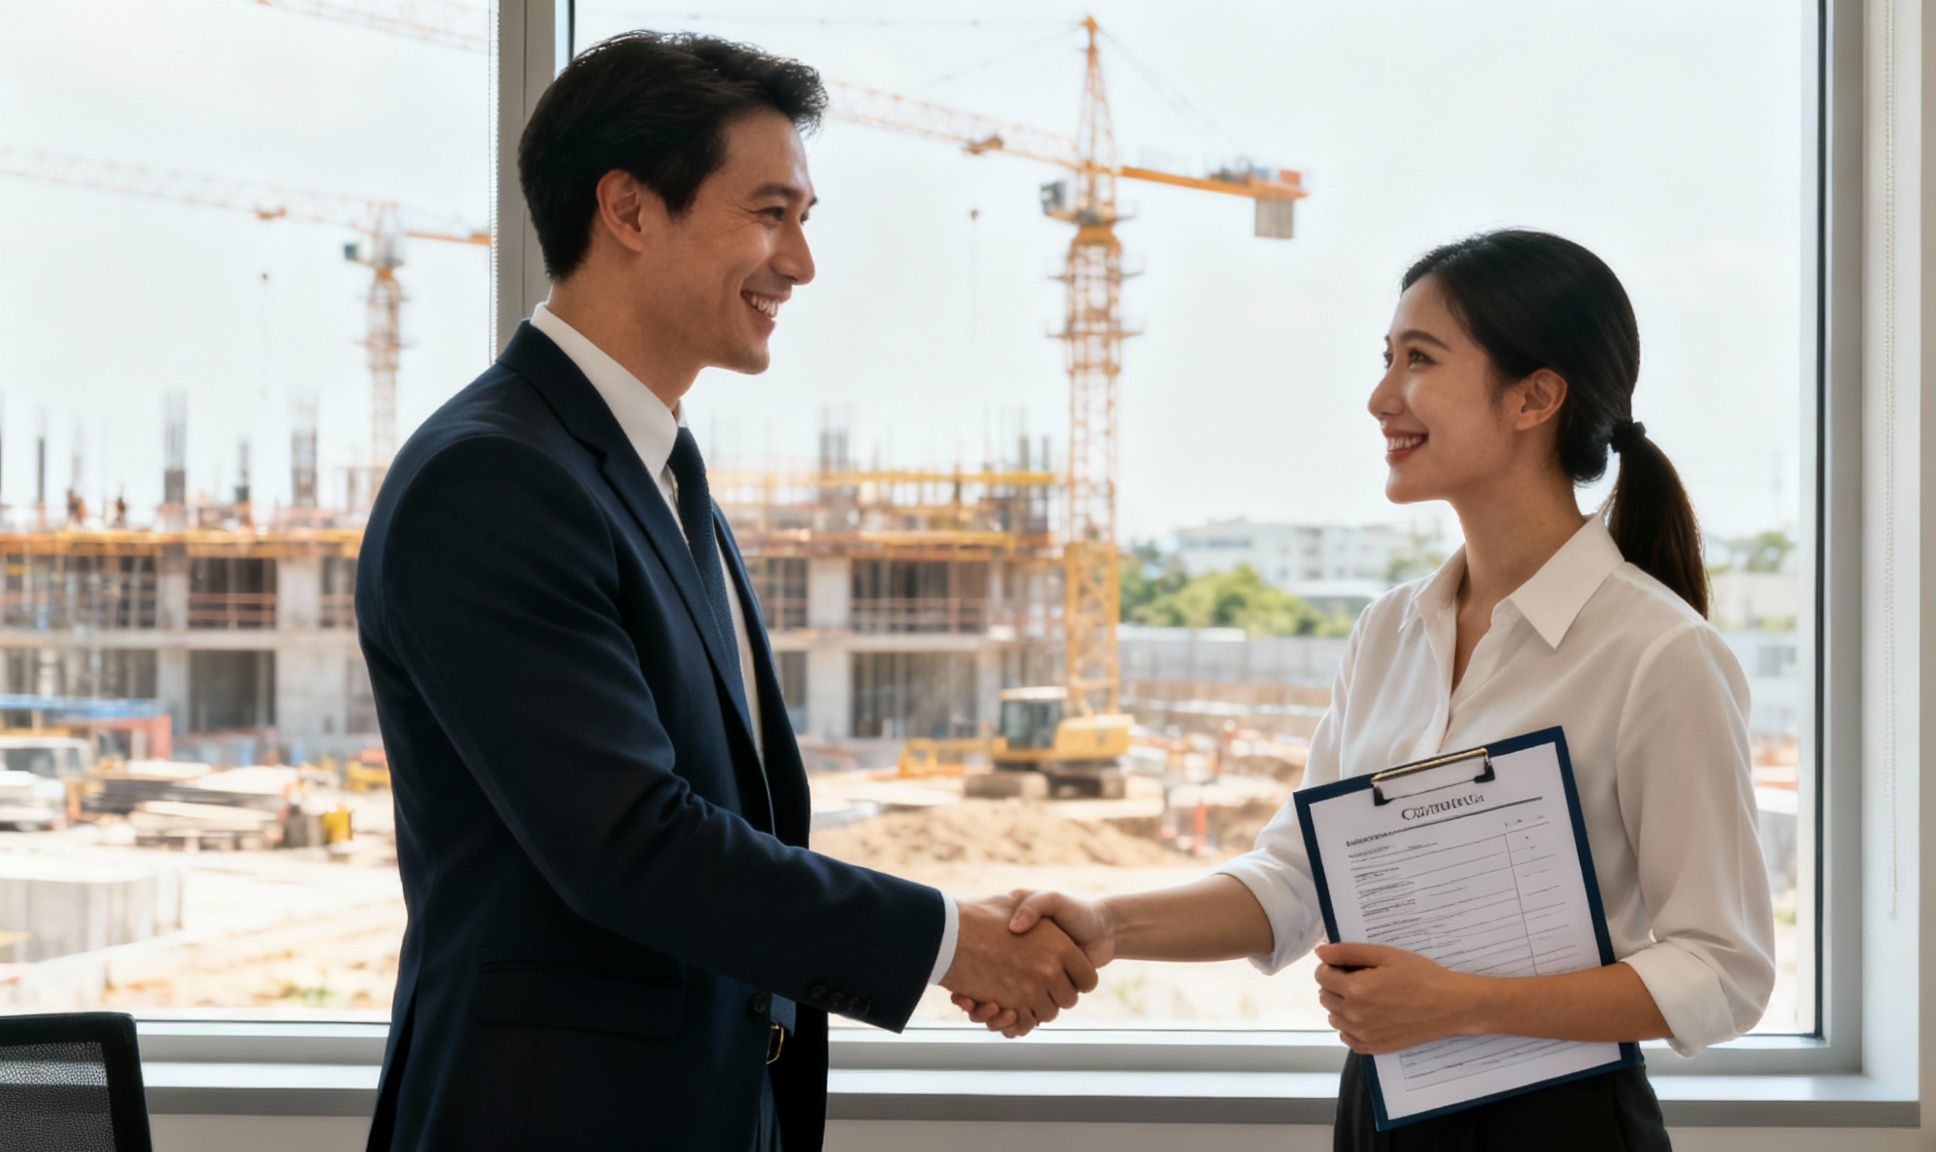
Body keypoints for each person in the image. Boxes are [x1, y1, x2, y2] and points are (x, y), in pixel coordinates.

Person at [356, 32, 1097, 1152]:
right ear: (629, 209)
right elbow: (632, 843)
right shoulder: (495, 476)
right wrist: (950, 939)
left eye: (803, 219)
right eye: (768, 212)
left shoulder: (654, 468)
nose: (797, 262)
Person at [956, 230, 1777, 1151]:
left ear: (1535, 396)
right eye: (1386, 359)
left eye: (1419, 360)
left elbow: (1723, 970)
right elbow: (1297, 879)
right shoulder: (1390, 632)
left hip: (1565, 1129)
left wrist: (1464, 1005)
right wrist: (1106, 920)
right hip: (1382, 1111)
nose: (1381, 397)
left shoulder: (1658, 654)